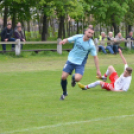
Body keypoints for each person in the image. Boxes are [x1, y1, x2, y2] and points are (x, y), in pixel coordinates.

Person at [59, 27, 101, 100]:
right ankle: (64, 93)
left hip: (80, 63)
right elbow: (68, 39)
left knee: (78, 79)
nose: (90, 35)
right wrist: (64, 41)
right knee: (63, 77)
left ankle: (74, 78)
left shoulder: (91, 44)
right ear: (85, 32)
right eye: (89, 32)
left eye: (92, 34)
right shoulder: (78, 37)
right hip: (71, 60)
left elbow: (95, 57)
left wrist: (98, 70)